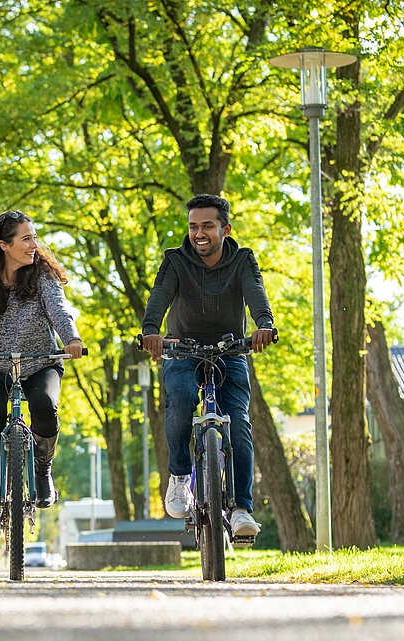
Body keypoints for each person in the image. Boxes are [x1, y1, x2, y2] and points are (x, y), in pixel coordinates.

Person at [141, 194, 275, 538]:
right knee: (182, 399)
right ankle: (180, 478)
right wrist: (150, 332)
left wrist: (264, 323)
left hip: (230, 349)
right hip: (182, 350)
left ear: (225, 229)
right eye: (193, 226)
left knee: (239, 422)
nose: (199, 233)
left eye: (207, 226)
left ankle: (242, 508)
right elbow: (159, 295)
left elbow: (256, 291)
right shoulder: (175, 260)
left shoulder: (243, 260)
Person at [0, 210, 83, 533]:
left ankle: (42, 467)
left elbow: (58, 308)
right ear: (4, 245)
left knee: (44, 407)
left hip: (40, 362)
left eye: (34, 237)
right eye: (26, 239)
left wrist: (71, 338)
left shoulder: (42, 277)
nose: (34, 245)